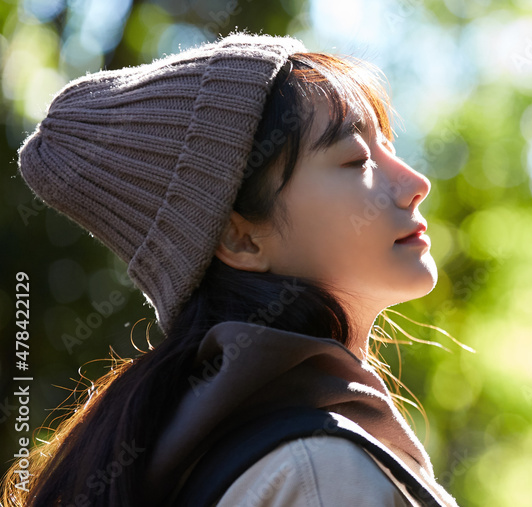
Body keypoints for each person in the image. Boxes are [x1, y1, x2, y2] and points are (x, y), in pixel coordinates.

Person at [3, 31, 464, 506]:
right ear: (239, 237)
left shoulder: (235, 457)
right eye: (356, 159)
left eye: (389, 145)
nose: (416, 182)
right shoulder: (318, 476)